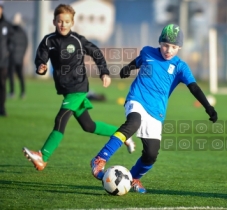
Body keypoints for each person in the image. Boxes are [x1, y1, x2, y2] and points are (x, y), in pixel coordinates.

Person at [90, 24, 218, 193]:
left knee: (151, 154)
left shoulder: (180, 66)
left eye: (173, 47)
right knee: (133, 123)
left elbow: (193, 87)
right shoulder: (148, 51)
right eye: (165, 45)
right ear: (160, 43)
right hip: (137, 99)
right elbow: (139, 61)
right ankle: (100, 158)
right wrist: (129, 67)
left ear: (179, 47)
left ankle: (134, 178)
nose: (168, 50)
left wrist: (207, 107)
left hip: (157, 111)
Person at [22, 4, 135, 171]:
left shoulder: (77, 40)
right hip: (66, 89)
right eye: (60, 21)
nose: (63, 24)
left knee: (60, 119)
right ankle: (123, 135)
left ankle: (42, 156)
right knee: (89, 126)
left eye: (67, 21)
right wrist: (41, 67)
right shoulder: (48, 41)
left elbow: (95, 52)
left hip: (78, 87)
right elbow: (41, 58)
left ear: (72, 22)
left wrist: (104, 72)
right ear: (54, 21)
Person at [7, 13, 28, 99]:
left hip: (12, 57)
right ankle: (23, 92)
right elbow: (26, 44)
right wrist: (23, 55)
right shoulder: (23, 32)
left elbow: (8, 44)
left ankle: (12, 92)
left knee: (11, 76)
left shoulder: (11, 31)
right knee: (21, 76)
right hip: (20, 58)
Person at [0, 3, 13, 116]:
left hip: (3, 62)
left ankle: (2, 109)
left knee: (2, 85)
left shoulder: (7, 25)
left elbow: (12, 41)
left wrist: (9, 52)